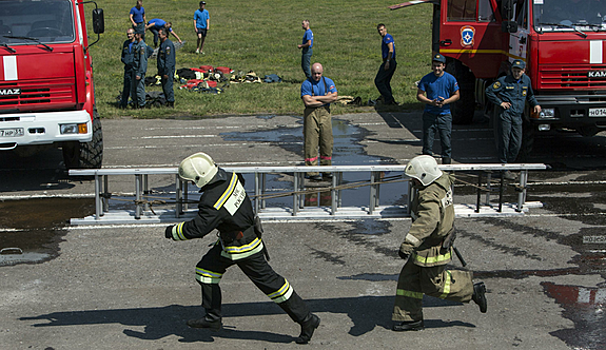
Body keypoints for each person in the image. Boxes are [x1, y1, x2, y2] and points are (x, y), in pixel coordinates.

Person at [164, 152, 321, 344]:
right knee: (205, 271)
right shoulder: (230, 177)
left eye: (191, 181)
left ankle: (307, 319)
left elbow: (198, 228)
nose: (190, 184)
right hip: (231, 241)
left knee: (272, 285)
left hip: (242, 247)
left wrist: (172, 231)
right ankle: (212, 318)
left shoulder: (211, 200)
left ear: (200, 177)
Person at [392, 155, 487, 331]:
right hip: (427, 244)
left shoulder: (429, 195)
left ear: (425, 177)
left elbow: (427, 222)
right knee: (409, 279)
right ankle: (411, 318)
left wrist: (408, 243)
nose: (412, 182)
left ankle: (471, 290)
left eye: (415, 179)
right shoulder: (441, 180)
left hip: (432, 247)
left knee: (434, 285)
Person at [485, 59, 541, 180]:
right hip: (506, 115)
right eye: (515, 70)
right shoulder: (504, 81)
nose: (516, 73)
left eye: (519, 71)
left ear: (523, 71)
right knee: (504, 141)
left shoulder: (526, 80)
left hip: (518, 116)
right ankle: (504, 167)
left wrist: (535, 104)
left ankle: (508, 165)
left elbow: (530, 95)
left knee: (517, 143)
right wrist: (500, 103)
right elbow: (489, 91)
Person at [417, 54, 460, 165]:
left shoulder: (450, 79)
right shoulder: (426, 79)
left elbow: (457, 95)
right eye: (435, 66)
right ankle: (427, 168)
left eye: (439, 66)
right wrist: (430, 102)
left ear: (444, 66)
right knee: (427, 145)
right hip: (429, 114)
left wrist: (445, 101)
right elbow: (419, 95)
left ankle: (447, 170)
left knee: (446, 144)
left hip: (444, 115)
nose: (437, 68)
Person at [301, 62, 338, 181]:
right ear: (311, 73)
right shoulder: (306, 84)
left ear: (322, 73)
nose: (317, 76)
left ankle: (326, 169)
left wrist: (316, 98)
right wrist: (325, 99)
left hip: (325, 113)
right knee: (311, 141)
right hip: (311, 114)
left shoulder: (328, 82)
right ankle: (311, 171)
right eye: (314, 73)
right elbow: (308, 102)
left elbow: (334, 97)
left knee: (327, 140)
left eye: (319, 73)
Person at [375, 23, 397, 105]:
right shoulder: (385, 38)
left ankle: (388, 98)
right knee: (386, 81)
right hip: (390, 61)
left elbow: (391, 50)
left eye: (381, 30)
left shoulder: (387, 38)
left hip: (389, 61)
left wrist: (387, 61)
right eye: (379, 30)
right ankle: (390, 101)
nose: (380, 32)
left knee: (378, 81)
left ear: (385, 29)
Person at [157, 27, 176, 108]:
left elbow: (169, 60)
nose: (158, 35)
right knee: (164, 87)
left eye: (159, 34)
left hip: (167, 70)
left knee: (168, 87)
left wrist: (166, 72)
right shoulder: (162, 43)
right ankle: (167, 100)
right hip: (163, 70)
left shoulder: (168, 45)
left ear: (164, 35)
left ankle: (170, 102)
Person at [132, 31, 150, 109]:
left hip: (138, 70)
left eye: (135, 34)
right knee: (134, 88)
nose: (134, 35)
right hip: (134, 69)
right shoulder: (137, 45)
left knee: (140, 89)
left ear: (139, 35)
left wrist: (140, 73)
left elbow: (143, 61)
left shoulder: (142, 46)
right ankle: (135, 103)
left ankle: (142, 104)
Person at [119, 28, 136, 109]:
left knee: (135, 86)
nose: (129, 35)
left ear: (134, 34)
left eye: (130, 34)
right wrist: (125, 61)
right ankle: (124, 103)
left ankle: (135, 103)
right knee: (126, 86)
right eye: (128, 34)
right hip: (127, 68)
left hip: (134, 68)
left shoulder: (137, 43)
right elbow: (123, 55)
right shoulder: (126, 43)